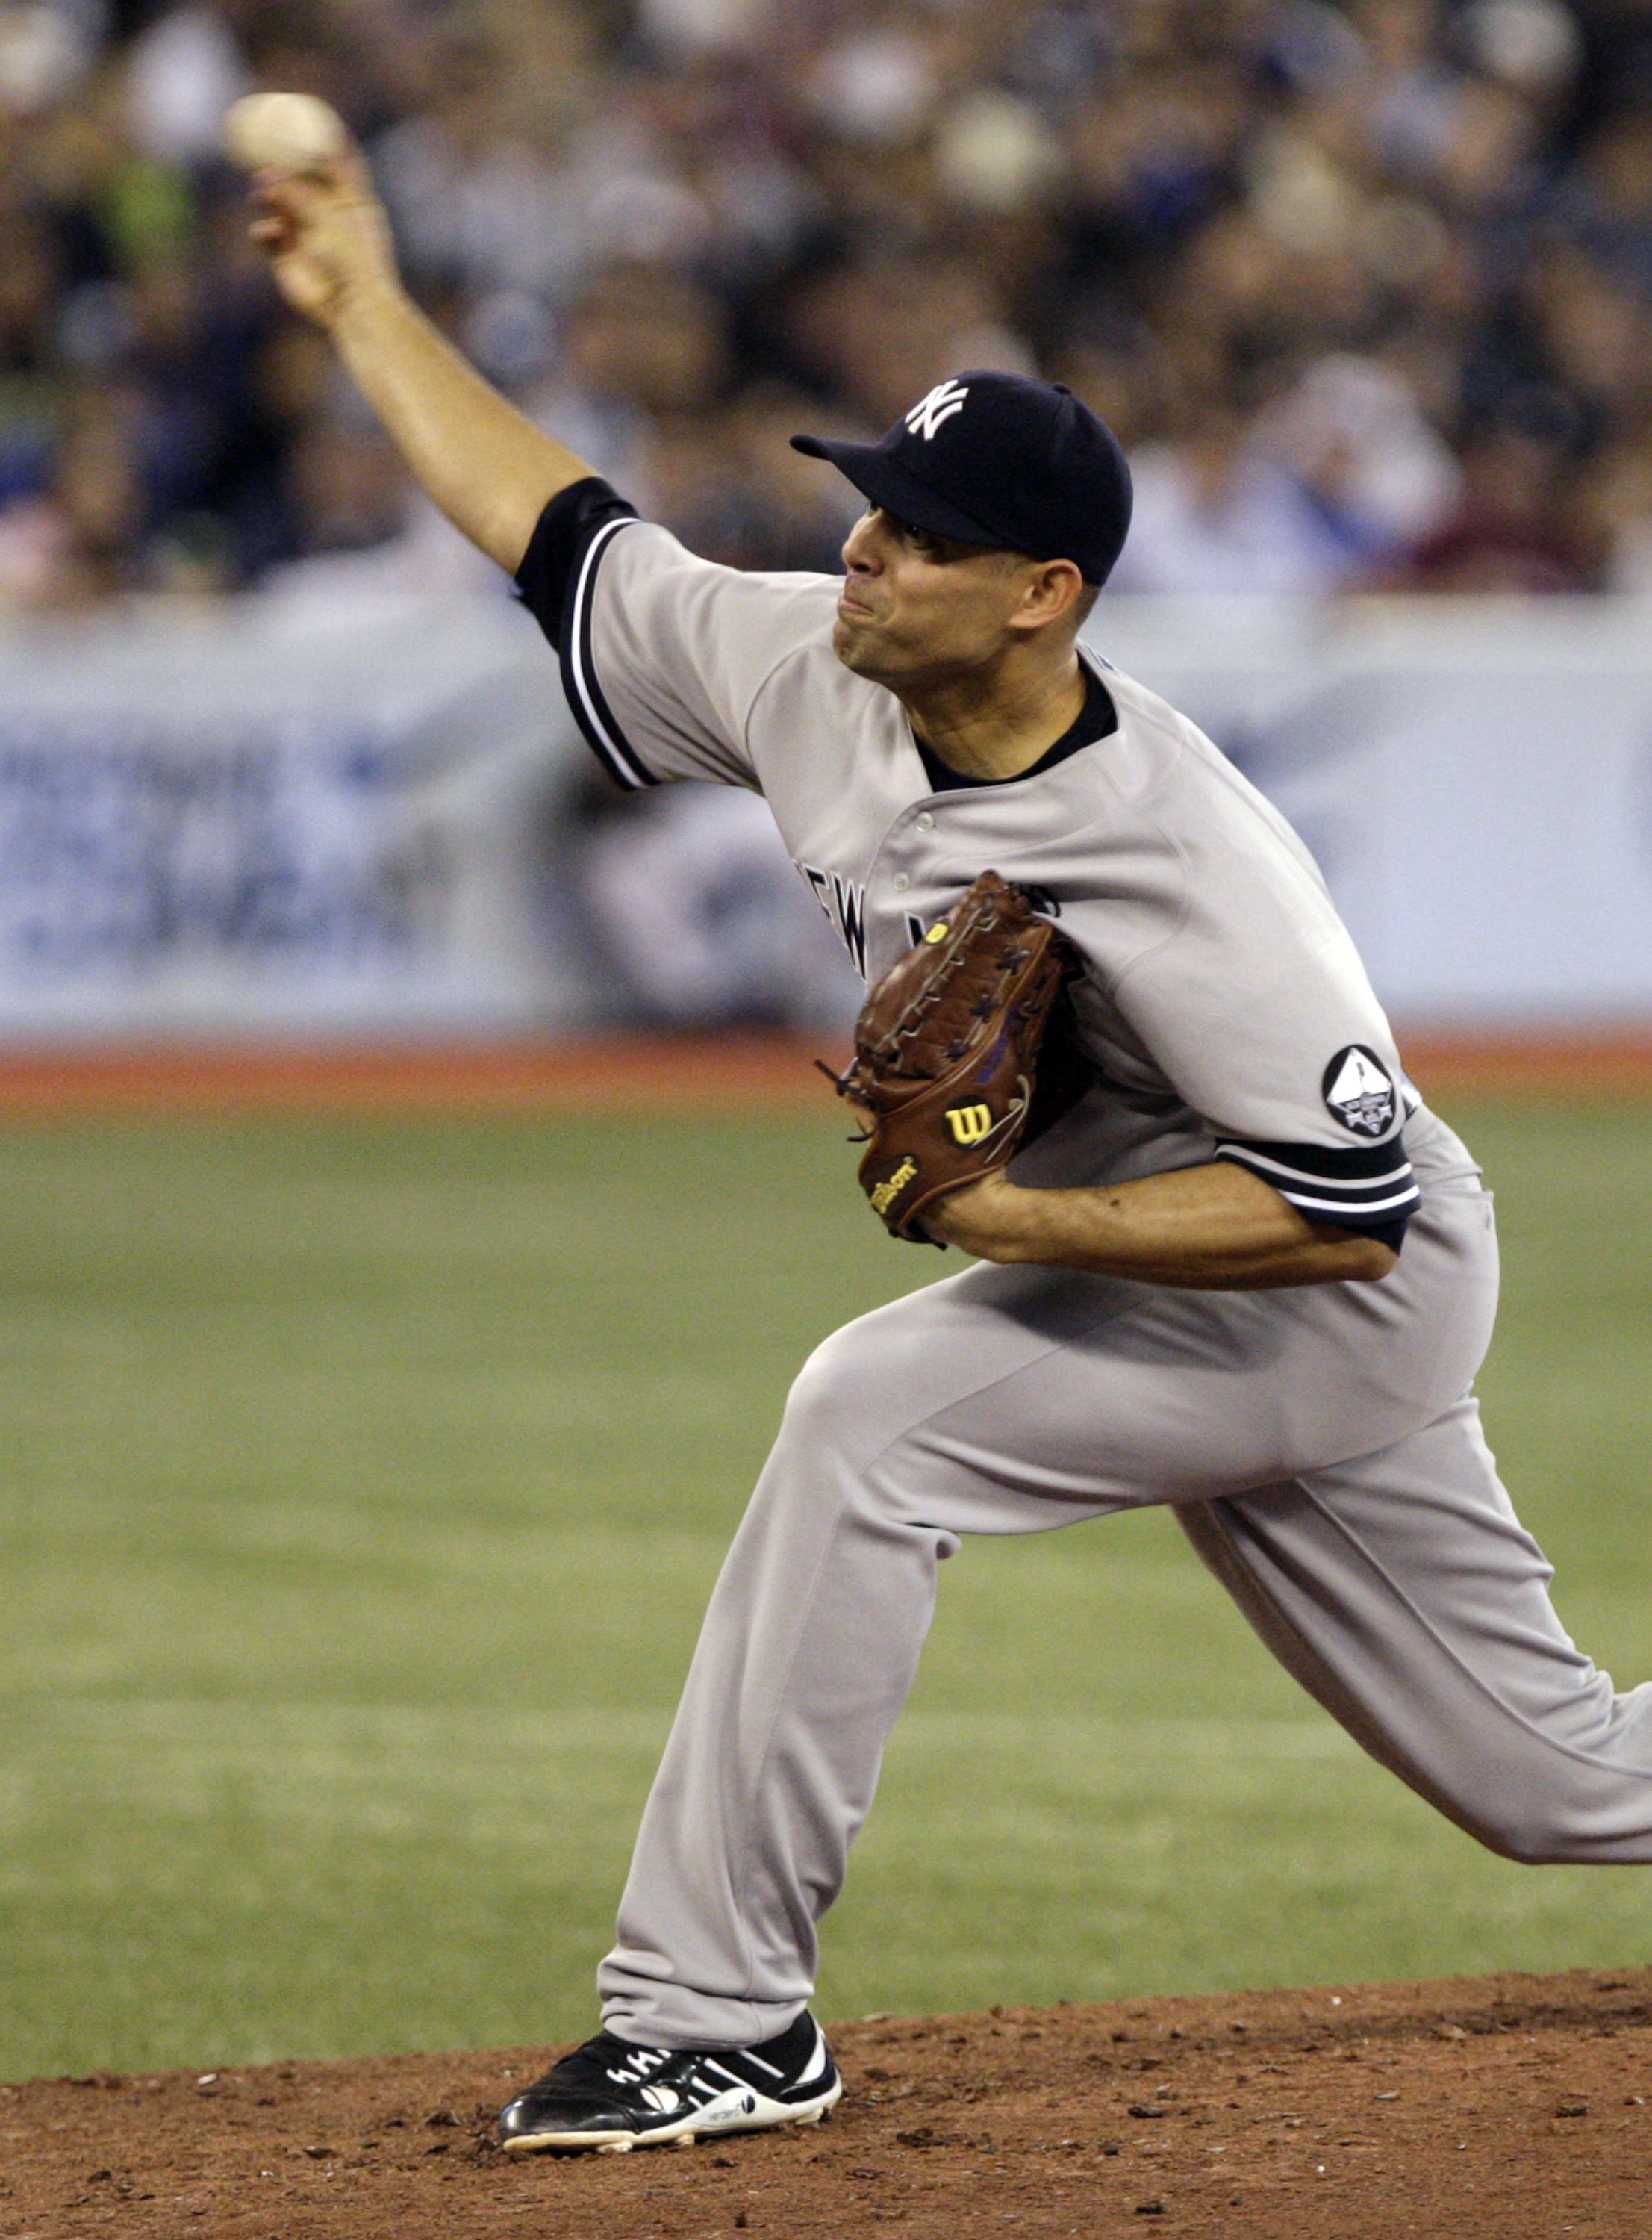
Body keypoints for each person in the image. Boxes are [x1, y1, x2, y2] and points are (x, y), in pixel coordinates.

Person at [249, 147, 1652, 2159]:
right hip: (1185, 1256)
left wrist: (1001, 1214)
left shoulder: (1196, 863)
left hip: (1336, 1280)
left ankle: (718, 2019)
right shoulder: (812, 668)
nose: (866, 553)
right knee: (1564, 1787)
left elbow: (1338, 1215)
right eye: (871, 508)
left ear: (1043, 593)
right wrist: (364, 301)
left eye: (920, 535)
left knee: (872, 1416)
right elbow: (559, 537)